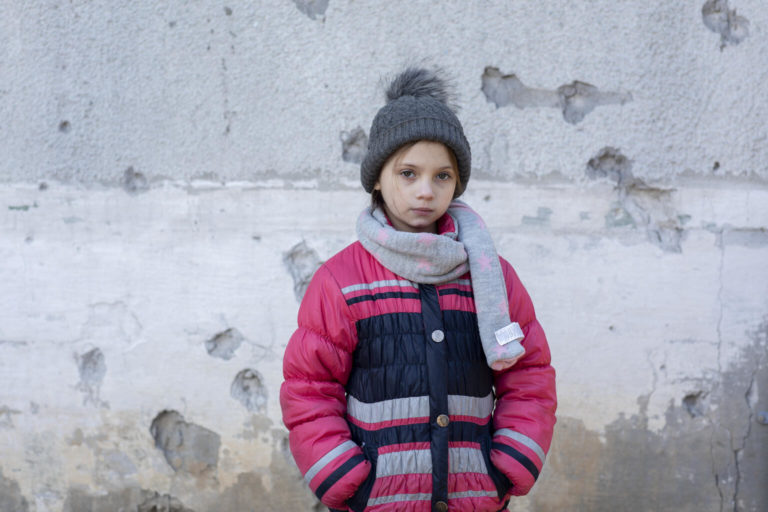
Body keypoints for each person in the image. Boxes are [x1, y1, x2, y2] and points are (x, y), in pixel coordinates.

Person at [280, 67, 556, 512]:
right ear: (376, 178)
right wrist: (346, 477)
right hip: (380, 500)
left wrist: (507, 465)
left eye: (442, 176)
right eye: (408, 173)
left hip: (474, 497)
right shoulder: (342, 281)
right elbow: (310, 386)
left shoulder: (490, 275)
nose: (425, 191)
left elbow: (529, 376)